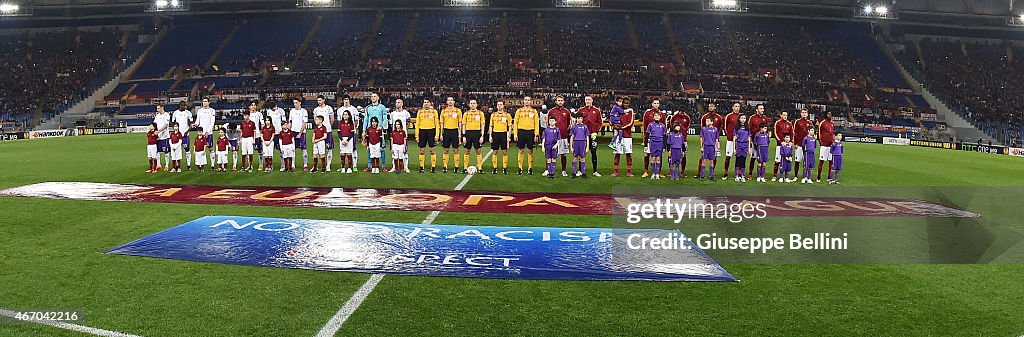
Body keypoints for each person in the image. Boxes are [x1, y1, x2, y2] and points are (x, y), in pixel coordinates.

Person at [512, 95, 540, 175]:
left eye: (528, 100)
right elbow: (515, 123)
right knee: (521, 150)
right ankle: (520, 168)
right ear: (523, 101)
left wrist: (536, 134)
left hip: (531, 132)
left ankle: (530, 168)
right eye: (525, 100)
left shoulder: (534, 111)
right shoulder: (519, 111)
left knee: (530, 150)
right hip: (521, 131)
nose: (527, 101)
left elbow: (536, 123)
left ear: (530, 101)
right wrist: (515, 134)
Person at [698, 103, 724, 179]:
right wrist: (701, 146)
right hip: (706, 146)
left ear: (715, 107)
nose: (710, 107)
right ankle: (701, 174)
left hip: (712, 146)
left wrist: (717, 147)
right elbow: (701, 137)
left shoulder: (718, 120)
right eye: (709, 106)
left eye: (712, 106)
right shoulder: (704, 122)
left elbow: (717, 135)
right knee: (703, 159)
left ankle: (711, 174)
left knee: (712, 160)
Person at [363, 93, 388, 171]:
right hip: (370, 131)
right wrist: (364, 130)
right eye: (372, 97)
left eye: (374, 96)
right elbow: (366, 119)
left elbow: (385, 118)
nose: (373, 98)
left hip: (379, 131)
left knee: (382, 148)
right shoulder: (368, 108)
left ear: (378, 98)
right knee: (370, 147)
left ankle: (383, 166)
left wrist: (382, 126)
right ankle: (370, 166)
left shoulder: (382, 107)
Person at [579, 95, 603, 176]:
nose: (587, 101)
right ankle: (581, 170)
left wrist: (596, 132)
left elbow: (600, 122)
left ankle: (595, 171)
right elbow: (577, 122)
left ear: (592, 100)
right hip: (582, 136)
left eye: (589, 99)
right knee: (581, 153)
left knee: (593, 152)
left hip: (593, 135)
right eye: (586, 100)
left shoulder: (596, 111)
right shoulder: (581, 110)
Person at [548, 95, 572, 176]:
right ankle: (548, 170)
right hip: (552, 137)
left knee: (563, 154)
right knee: (550, 153)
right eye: (558, 100)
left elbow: (569, 123)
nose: (560, 102)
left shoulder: (567, 112)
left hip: (563, 136)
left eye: (561, 100)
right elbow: (548, 123)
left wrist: (565, 130)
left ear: (563, 101)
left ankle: (563, 170)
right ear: (556, 101)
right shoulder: (551, 111)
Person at [611, 97, 635, 177]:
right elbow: (612, 119)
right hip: (618, 135)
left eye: (628, 103)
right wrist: (614, 125)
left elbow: (630, 123)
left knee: (628, 153)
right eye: (625, 103)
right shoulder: (618, 110)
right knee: (617, 153)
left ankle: (629, 172)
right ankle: (615, 171)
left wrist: (621, 127)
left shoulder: (631, 112)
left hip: (627, 136)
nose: (626, 104)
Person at [416, 98, 441, 173]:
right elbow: (417, 124)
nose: (426, 103)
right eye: (425, 102)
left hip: (431, 131)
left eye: (427, 102)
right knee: (422, 150)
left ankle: (433, 167)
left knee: (432, 150)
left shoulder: (434, 112)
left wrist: (437, 135)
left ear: (430, 103)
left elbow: (437, 124)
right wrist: (416, 136)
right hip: (422, 131)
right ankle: (421, 167)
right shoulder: (420, 112)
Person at [746, 104, 770, 180]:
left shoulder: (765, 118)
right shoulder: (752, 118)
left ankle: (761, 175)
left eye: (763, 108)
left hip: (763, 143)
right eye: (761, 108)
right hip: (754, 141)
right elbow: (749, 129)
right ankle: (750, 174)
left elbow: (767, 129)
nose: (762, 110)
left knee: (763, 159)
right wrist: (749, 141)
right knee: (753, 158)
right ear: (757, 109)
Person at [439, 96, 463, 173]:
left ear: (453, 102)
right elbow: (441, 124)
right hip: (446, 131)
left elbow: (460, 124)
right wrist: (441, 134)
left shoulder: (458, 111)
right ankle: (445, 167)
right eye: (448, 100)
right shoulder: (443, 111)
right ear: (446, 102)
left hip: (455, 131)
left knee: (456, 150)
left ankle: (456, 167)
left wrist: (460, 135)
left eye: (451, 100)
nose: (450, 101)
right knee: (446, 150)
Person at [462, 99, 486, 173]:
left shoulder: (480, 113)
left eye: (474, 103)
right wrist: (464, 136)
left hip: (477, 133)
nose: (472, 104)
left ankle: (480, 168)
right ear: (469, 104)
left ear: (476, 105)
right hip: (468, 133)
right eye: (471, 103)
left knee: (478, 150)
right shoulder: (466, 113)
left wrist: (482, 135)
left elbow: (482, 125)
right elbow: (464, 125)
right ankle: (465, 168)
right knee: (467, 150)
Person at [313, 95, 336, 172]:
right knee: (317, 149)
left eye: (320, 100)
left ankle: (328, 165)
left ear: (323, 100)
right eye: (318, 100)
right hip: (319, 131)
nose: (319, 102)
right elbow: (315, 119)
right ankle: (317, 166)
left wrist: (328, 127)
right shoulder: (316, 110)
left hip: (328, 131)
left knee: (329, 148)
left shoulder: (329, 108)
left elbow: (332, 119)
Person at [337, 95, 360, 169]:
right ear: (343, 100)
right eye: (344, 99)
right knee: (342, 150)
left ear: (349, 100)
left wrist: (354, 128)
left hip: (351, 132)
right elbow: (340, 121)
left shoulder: (354, 109)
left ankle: (354, 165)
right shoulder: (340, 110)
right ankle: (343, 166)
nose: (346, 101)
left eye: (347, 99)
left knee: (353, 148)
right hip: (343, 133)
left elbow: (356, 120)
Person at [489, 101, 512, 174]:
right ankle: (495, 168)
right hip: (495, 134)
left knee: (504, 151)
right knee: (495, 151)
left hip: (504, 134)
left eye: (501, 105)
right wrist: (490, 136)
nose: (499, 106)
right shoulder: (493, 115)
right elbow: (491, 126)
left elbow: (510, 126)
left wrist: (509, 136)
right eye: (498, 105)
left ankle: (504, 168)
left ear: (503, 106)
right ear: (496, 106)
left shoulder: (507, 115)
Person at [390, 98, 412, 173]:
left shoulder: (406, 113)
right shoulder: (392, 114)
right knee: (394, 152)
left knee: (405, 151)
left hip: (403, 135)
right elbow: (391, 124)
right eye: (396, 102)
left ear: (402, 104)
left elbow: (408, 122)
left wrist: (405, 130)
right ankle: (394, 167)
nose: (397, 104)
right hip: (395, 136)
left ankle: (405, 167)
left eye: (399, 102)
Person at [194, 98, 217, 167]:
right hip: (201, 134)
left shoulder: (212, 110)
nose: (204, 103)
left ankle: (212, 165)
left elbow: (212, 122)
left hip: (208, 133)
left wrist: (207, 131)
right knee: (200, 149)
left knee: (211, 148)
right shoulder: (199, 111)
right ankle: (200, 164)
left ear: (209, 102)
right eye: (203, 101)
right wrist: (195, 124)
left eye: (206, 101)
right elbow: (197, 121)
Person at [641, 99, 661, 178]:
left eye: (657, 103)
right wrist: (644, 139)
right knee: (647, 154)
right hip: (649, 138)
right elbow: (644, 125)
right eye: (655, 103)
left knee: (658, 155)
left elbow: (663, 126)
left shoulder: (661, 114)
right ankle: (646, 171)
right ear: (652, 104)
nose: (656, 105)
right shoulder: (647, 113)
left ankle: (658, 172)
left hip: (658, 139)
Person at [722, 102, 742, 180]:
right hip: (730, 140)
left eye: (738, 106)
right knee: (728, 157)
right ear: (732, 107)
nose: (737, 108)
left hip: (739, 141)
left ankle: (738, 173)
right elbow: (725, 127)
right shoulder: (729, 116)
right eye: (736, 106)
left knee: (739, 157)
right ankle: (726, 173)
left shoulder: (741, 116)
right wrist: (730, 136)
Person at [289, 98, 310, 171]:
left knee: (303, 149)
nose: (295, 104)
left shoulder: (304, 111)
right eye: (294, 103)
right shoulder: (291, 111)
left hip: (301, 132)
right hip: (293, 132)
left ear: (300, 103)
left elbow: (304, 123)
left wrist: (300, 133)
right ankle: (292, 165)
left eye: (296, 103)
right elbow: (290, 122)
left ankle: (305, 165)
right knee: (292, 149)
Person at [772, 111, 793, 181]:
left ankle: (786, 176)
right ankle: (774, 176)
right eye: (784, 115)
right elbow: (775, 133)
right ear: (781, 115)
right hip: (780, 145)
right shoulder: (777, 123)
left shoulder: (789, 124)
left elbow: (792, 133)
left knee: (787, 160)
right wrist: (781, 142)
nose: (785, 116)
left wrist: (791, 142)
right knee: (777, 160)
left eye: (786, 115)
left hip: (787, 146)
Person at [645, 111, 667, 180]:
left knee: (658, 158)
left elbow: (665, 137)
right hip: (653, 143)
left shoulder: (663, 126)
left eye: (658, 115)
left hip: (660, 143)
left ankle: (657, 174)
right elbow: (647, 135)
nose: (657, 117)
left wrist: (664, 146)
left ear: (660, 117)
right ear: (653, 117)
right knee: (653, 158)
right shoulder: (650, 125)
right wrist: (645, 145)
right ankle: (653, 173)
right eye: (655, 115)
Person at [171, 102, 193, 170]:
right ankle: (177, 166)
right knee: (177, 150)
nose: (184, 107)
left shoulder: (188, 113)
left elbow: (191, 123)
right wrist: (175, 131)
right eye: (183, 105)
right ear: (180, 106)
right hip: (177, 135)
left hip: (185, 135)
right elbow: (173, 123)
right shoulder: (175, 113)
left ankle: (188, 165)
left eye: (185, 105)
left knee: (187, 149)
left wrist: (187, 131)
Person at [669, 110, 691, 177]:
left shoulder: (687, 118)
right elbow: (671, 124)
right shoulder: (674, 117)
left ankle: (682, 171)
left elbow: (687, 126)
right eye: (681, 112)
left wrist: (684, 133)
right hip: (674, 142)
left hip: (683, 139)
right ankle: (672, 172)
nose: (682, 113)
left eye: (683, 112)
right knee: (671, 157)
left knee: (683, 156)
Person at [817, 112, 836, 182]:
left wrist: (833, 142)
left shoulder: (832, 123)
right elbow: (819, 133)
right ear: (826, 115)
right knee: (821, 161)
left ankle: (829, 177)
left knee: (831, 162)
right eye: (828, 114)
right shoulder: (822, 123)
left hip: (830, 146)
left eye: (830, 114)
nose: (830, 115)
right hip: (824, 145)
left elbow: (833, 134)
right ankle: (818, 177)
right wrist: (821, 142)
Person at [337, 109, 357, 174]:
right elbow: (339, 132)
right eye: (343, 114)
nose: (344, 116)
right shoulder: (340, 123)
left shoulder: (351, 123)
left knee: (349, 153)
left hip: (349, 140)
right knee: (342, 153)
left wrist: (347, 140)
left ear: (349, 116)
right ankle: (343, 167)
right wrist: (342, 140)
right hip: (342, 139)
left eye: (346, 114)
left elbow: (352, 133)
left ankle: (349, 168)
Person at [153, 103, 171, 171]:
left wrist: (159, 131)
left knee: (166, 151)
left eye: (158, 108)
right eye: (157, 108)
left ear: (162, 108)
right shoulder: (157, 116)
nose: (157, 110)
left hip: (165, 136)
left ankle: (166, 165)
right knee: (157, 151)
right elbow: (154, 124)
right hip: (158, 137)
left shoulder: (166, 115)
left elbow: (166, 125)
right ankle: (158, 164)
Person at [247, 100, 264, 171]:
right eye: (252, 105)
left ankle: (261, 164)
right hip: (249, 136)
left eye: (254, 105)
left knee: (259, 150)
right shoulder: (247, 115)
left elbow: (262, 124)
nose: (253, 106)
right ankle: (250, 165)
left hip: (257, 135)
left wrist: (261, 132)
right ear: (249, 107)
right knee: (249, 151)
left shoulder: (259, 114)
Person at [734, 114, 751, 183]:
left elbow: (749, 138)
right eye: (742, 118)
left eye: (744, 118)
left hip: (745, 145)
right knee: (738, 160)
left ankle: (742, 175)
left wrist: (749, 148)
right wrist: (734, 148)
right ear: (739, 119)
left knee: (743, 160)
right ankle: (737, 175)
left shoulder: (747, 128)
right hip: (739, 144)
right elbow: (734, 138)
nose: (743, 119)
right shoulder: (737, 128)